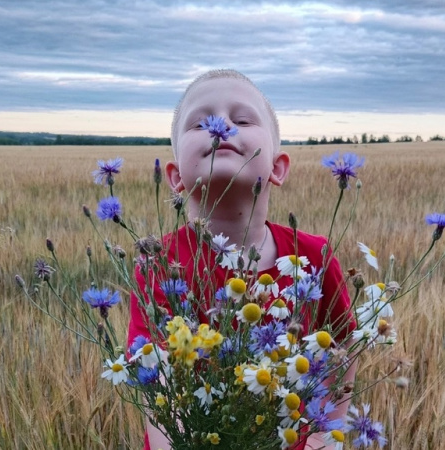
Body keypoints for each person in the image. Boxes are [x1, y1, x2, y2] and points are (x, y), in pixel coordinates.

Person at [126, 69, 356, 450]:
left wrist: (321, 440)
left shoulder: (314, 256)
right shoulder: (159, 263)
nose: (223, 127)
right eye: (201, 123)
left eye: (243, 119)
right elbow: (156, 382)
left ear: (278, 168)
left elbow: (342, 354)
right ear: (175, 177)